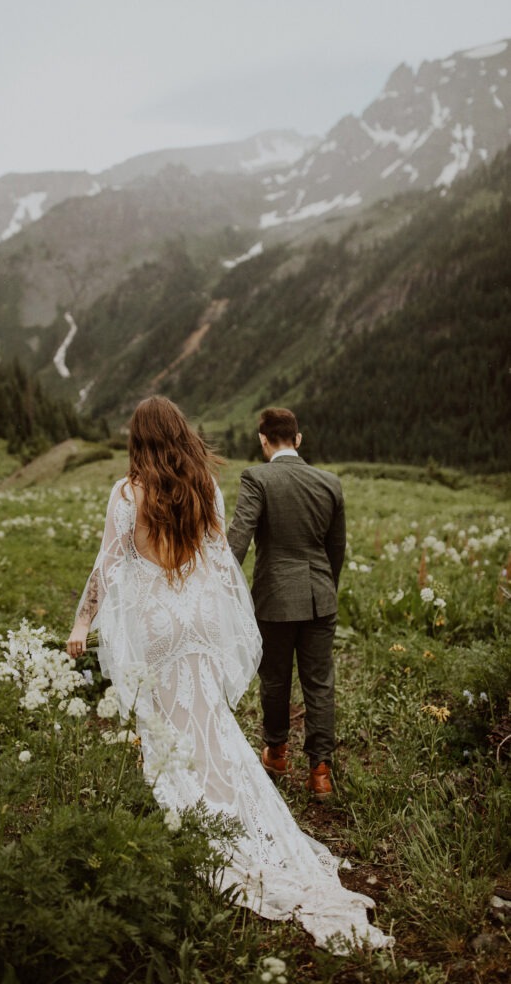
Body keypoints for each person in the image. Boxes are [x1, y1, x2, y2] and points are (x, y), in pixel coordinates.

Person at [66, 396, 391, 951]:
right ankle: (242, 793)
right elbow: (220, 564)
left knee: (165, 722)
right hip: (198, 619)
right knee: (210, 721)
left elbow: (108, 565)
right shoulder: (206, 488)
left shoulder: (127, 494)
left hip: (154, 622)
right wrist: (224, 624)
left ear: (138, 440)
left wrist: (82, 621)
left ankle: (189, 806)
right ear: (182, 433)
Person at [227, 407, 345, 798]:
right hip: (320, 596)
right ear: (298, 439)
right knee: (320, 682)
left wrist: (219, 588)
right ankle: (320, 772)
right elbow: (336, 549)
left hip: (274, 598)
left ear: (263, 440)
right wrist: (325, 589)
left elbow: (239, 540)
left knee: (275, 680)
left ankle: (277, 754)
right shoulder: (329, 482)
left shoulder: (256, 478)